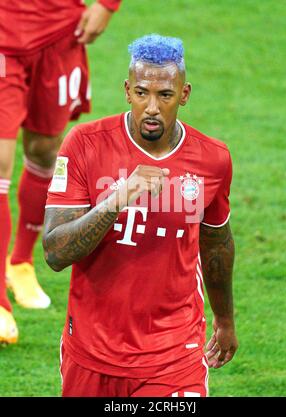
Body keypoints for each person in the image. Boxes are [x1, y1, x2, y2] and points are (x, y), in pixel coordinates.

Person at [43, 34, 238, 397]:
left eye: (164, 95)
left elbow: (216, 245)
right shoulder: (84, 143)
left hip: (174, 356)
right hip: (91, 352)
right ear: (127, 91)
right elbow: (55, 252)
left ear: (184, 94)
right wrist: (115, 201)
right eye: (142, 92)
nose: (152, 107)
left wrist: (225, 320)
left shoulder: (213, 159)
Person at [0, 0, 122, 344]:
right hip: (3, 36)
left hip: (59, 33)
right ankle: (0, 303)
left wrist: (107, 5)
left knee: (44, 151)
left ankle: (21, 262)